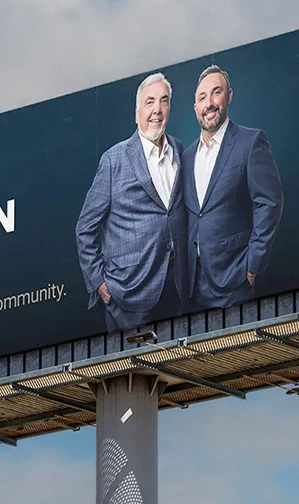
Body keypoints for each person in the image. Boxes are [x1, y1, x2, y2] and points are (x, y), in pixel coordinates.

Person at [75, 72, 187, 333]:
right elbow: (85, 228)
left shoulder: (180, 151)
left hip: (177, 290)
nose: (157, 110)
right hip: (128, 294)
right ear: (137, 111)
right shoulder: (115, 159)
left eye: (164, 101)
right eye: (150, 102)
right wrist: (100, 284)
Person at [184, 64, 283, 309]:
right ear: (195, 107)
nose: (209, 103)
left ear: (229, 96)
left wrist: (252, 266)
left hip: (233, 280)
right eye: (202, 97)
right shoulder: (185, 158)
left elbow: (270, 203)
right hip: (191, 288)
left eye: (216, 93)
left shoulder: (250, 142)